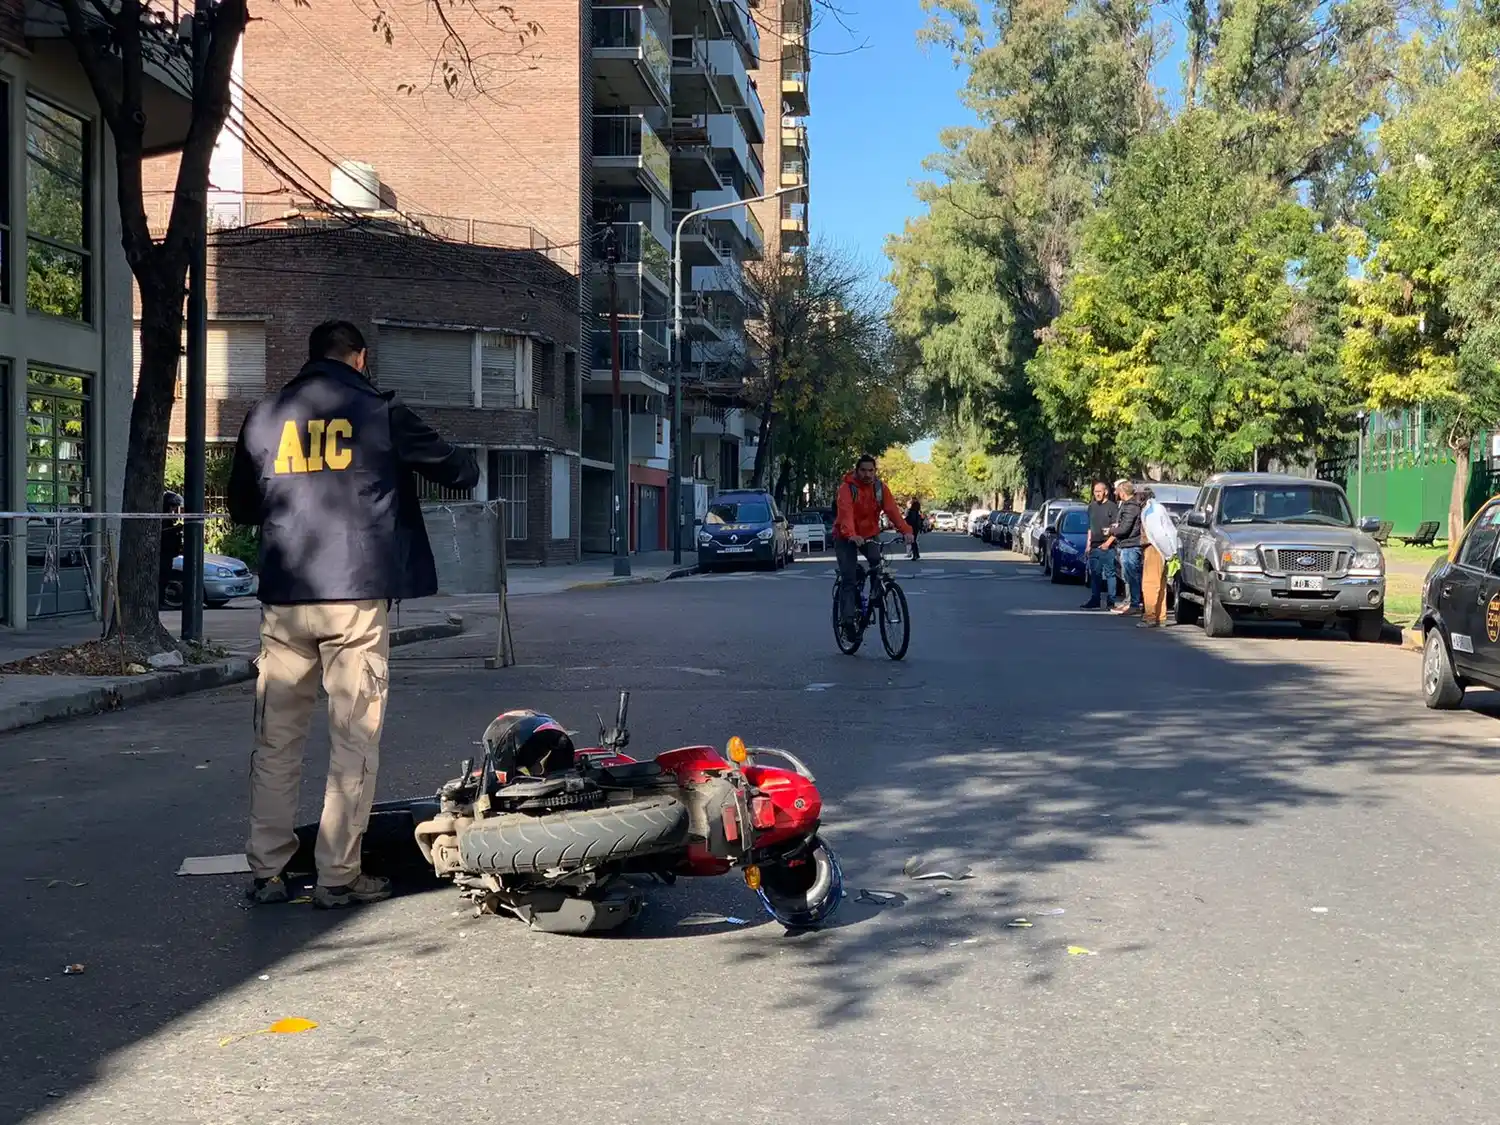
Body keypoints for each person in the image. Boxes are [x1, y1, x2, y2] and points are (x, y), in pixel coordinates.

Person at [227, 320, 480, 910]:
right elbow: (459, 471)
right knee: (353, 736)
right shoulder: (382, 413)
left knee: (276, 737)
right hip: (355, 596)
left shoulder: (264, 416)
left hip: (286, 596)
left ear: (311, 357)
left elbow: (241, 504)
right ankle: (338, 875)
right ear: (360, 359)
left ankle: (268, 870)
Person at [833, 454, 914, 634]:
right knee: (849, 578)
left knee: (877, 562)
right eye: (863, 470)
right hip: (846, 536)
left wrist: (906, 531)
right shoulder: (847, 488)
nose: (867, 474)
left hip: (869, 534)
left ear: (875, 471)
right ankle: (847, 622)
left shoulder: (880, 489)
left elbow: (892, 511)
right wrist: (851, 535)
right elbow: (845, 514)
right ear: (856, 471)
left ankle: (876, 594)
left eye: (871, 470)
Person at [1103, 479, 1145, 616]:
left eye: (1117, 491)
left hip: (1131, 545)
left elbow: (1125, 528)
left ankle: (1135, 603)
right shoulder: (1127, 505)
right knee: (1128, 576)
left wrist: (1111, 531)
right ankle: (1130, 602)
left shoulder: (1131, 506)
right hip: (1127, 545)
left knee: (1132, 576)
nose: (1115, 493)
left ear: (1122, 492)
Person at [1137, 487, 1176, 628]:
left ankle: (1150, 617)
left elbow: (1159, 535)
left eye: (1138, 495)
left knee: (1150, 584)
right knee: (1160, 584)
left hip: (1155, 548)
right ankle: (1160, 616)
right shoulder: (1156, 507)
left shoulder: (1151, 510)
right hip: (1161, 550)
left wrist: (1167, 553)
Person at [1080, 480, 1118, 610]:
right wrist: (1088, 544)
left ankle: (1111, 601)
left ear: (1105, 492)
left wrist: (1108, 543)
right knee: (1095, 574)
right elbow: (1090, 527)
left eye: (1099, 491)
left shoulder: (1112, 507)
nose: (1097, 494)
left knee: (1110, 574)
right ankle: (1095, 599)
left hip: (1108, 546)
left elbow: (1116, 528)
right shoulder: (1091, 507)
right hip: (1094, 546)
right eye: (1095, 492)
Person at [158, 491, 184, 608]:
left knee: (165, 577)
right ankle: (160, 601)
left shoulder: (168, 517)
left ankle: (161, 600)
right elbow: (163, 533)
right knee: (162, 577)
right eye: (173, 507)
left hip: (168, 553)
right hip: (163, 553)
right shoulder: (163, 516)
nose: (174, 509)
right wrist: (176, 529)